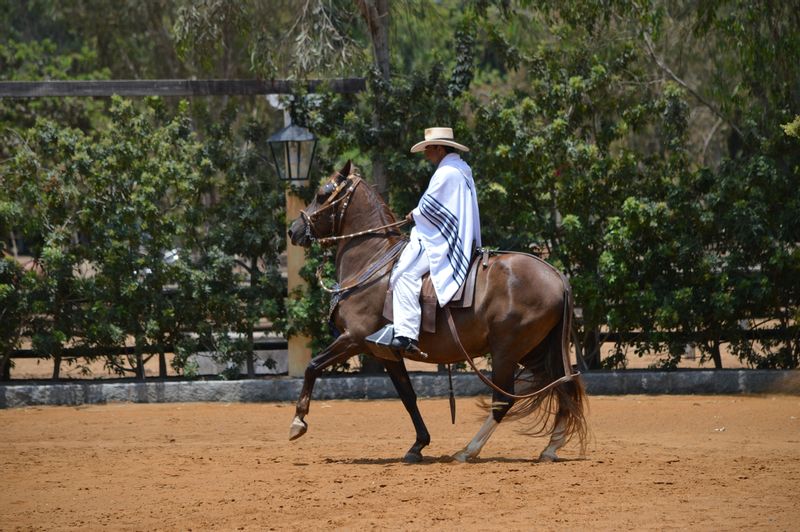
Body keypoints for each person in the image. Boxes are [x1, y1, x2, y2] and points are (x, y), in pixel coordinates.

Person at [380, 127, 482, 355]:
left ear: (438, 147)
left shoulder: (446, 172)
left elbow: (430, 206)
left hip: (444, 238)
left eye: (428, 149)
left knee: (405, 274)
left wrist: (414, 214)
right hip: (458, 234)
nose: (426, 154)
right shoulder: (462, 168)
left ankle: (406, 334)